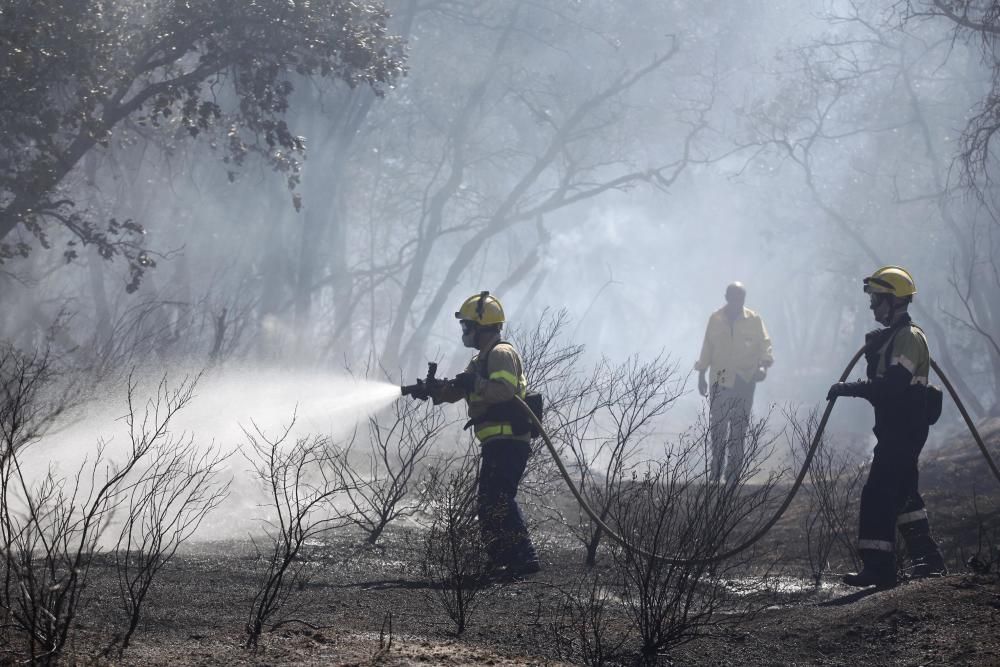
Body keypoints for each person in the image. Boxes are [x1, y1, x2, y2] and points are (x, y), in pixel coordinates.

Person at [827, 266, 946, 589]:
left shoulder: (908, 338)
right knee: (905, 495)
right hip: (897, 428)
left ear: (893, 301)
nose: (871, 307)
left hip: (903, 430)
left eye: (876, 300)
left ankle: (879, 568)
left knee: (878, 493)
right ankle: (928, 559)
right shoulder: (894, 338)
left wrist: (847, 388)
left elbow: (892, 388)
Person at [430, 291, 540, 580]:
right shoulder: (481, 359)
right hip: (496, 443)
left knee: (499, 497)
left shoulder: (501, 354)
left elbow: (504, 391)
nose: (464, 331)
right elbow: (461, 389)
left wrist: (474, 382)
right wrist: (435, 391)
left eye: (467, 325)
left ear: (482, 326)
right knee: (488, 501)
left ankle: (524, 557)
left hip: (509, 442)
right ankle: (501, 560)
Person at [695, 282, 774, 482]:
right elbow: (707, 347)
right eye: (734, 298)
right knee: (718, 427)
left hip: (744, 379)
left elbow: (765, 344)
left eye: (741, 298)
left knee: (739, 427)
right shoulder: (716, 319)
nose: (737, 302)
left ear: (744, 299)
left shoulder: (754, 319)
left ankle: (733, 475)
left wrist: (763, 366)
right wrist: (701, 373)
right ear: (727, 297)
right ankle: (715, 471)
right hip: (720, 378)